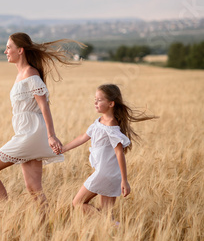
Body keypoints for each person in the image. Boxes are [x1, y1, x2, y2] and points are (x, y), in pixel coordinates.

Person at [0, 32, 82, 204]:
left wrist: (51, 136)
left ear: (20, 50)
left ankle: (5, 213)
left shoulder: (30, 74)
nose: (5, 51)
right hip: (28, 132)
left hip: (31, 134)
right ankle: (45, 227)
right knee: (34, 188)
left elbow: (44, 106)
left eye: (8, 47)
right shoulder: (21, 74)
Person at [61, 84, 157, 215]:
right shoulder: (99, 121)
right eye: (95, 99)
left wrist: (124, 180)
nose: (95, 102)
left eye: (99, 100)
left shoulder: (111, 125)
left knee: (77, 203)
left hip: (104, 173)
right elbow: (83, 137)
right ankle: (113, 228)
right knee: (106, 214)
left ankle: (113, 226)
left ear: (111, 104)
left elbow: (119, 153)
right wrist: (63, 148)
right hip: (111, 174)